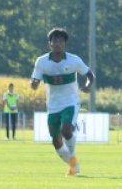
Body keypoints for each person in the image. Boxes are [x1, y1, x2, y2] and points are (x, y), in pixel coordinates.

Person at [31, 27, 95, 177]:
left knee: (66, 130)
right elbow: (34, 80)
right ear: (49, 43)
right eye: (55, 40)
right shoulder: (41, 62)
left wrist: (87, 86)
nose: (58, 43)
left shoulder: (74, 60)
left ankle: (72, 158)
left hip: (70, 102)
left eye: (61, 40)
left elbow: (90, 75)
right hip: (53, 105)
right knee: (56, 141)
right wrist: (33, 84)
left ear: (65, 43)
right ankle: (73, 164)